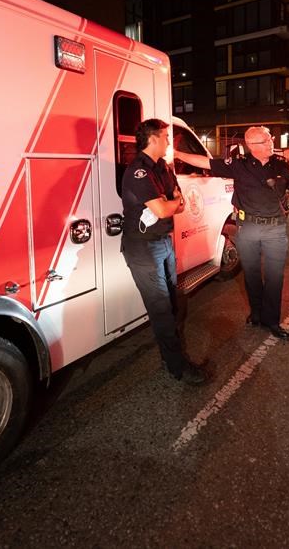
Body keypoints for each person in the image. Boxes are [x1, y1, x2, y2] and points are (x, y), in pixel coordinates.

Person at [175, 126, 289, 341]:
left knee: (275, 277)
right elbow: (205, 163)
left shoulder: (282, 163)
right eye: (265, 141)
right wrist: (177, 154)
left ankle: (272, 321)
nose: (271, 143)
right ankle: (256, 314)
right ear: (251, 146)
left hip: (275, 229)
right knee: (252, 275)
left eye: (270, 138)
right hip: (248, 228)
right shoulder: (239, 165)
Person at [121, 119, 208, 385]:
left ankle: (170, 356)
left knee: (172, 303)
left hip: (164, 243)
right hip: (143, 248)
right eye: (166, 137)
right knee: (161, 309)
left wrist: (171, 202)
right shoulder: (138, 171)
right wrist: (170, 202)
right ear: (153, 139)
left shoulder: (164, 167)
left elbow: (179, 203)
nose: (170, 141)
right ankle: (178, 366)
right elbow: (162, 210)